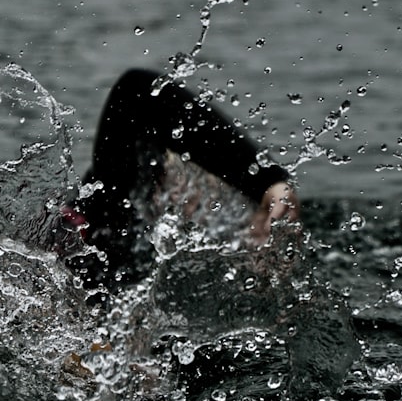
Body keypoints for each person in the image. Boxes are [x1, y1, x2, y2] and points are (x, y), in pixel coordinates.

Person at [61, 68, 299, 292]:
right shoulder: (107, 214)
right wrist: (266, 181)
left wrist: (270, 187)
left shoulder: (134, 241)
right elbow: (136, 92)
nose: (191, 199)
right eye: (189, 185)